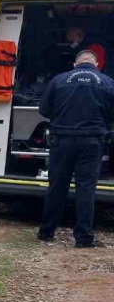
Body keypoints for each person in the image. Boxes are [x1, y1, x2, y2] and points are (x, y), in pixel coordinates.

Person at [37, 49, 114, 247]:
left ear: (74, 64)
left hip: (62, 140)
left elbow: (44, 110)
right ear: (97, 64)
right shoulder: (107, 83)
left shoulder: (59, 80)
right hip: (92, 143)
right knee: (86, 189)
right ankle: (84, 238)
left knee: (57, 187)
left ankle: (46, 231)